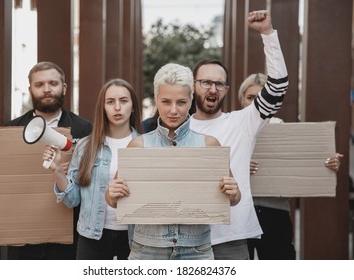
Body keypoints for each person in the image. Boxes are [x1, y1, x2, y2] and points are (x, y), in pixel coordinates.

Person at [105, 63, 241, 260]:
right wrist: (112, 192)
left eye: (181, 102)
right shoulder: (138, 145)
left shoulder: (209, 144)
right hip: (147, 251)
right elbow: (113, 201)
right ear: (156, 100)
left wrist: (234, 192)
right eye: (166, 102)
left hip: (196, 251)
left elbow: (234, 199)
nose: (173, 110)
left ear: (191, 100)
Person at [0, 61, 92, 259]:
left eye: (53, 83)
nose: (47, 90)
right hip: (24, 240)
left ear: (64, 87)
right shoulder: (11, 130)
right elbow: (0, 176)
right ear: (30, 89)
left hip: (70, 238)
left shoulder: (85, 130)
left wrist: (80, 169)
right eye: (39, 85)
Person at [189, 10, 288, 260]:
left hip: (231, 241)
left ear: (226, 90)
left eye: (219, 84)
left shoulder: (244, 121)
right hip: (187, 239)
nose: (213, 89)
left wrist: (267, 34)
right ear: (193, 85)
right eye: (205, 82)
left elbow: (277, 88)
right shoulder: (178, 128)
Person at [239, 73, 343, 260]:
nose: (256, 102)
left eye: (262, 97)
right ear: (242, 101)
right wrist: (239, 166)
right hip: (239, 212)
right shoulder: (231, 128)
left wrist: (327, 162)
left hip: (275, 213)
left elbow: (306, 160)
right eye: (250, 97)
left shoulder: (283, 130)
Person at [42, 78, 143, 260]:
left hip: (136, 238)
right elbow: (72, 201)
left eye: (124, 101)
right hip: (92, 237)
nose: (117, 107)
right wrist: (57, 170)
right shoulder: (85, 146)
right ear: (103, 108)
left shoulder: (147, 145)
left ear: (133, 106)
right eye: (110, 102)